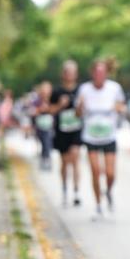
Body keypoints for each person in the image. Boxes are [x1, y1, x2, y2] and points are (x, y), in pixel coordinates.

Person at [76, 59, 126, 219]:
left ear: (106, 73)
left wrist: (118, 108)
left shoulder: (114, 88)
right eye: (97, 72)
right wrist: (80, 106)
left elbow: (122, 106)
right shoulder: (84, 89)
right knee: (95, 171)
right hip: (90, 136)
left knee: (110, 173)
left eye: (102, 72)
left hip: (109, 135)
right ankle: (98, 206)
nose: (99, 75)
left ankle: (109, 191)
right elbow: (77, 114)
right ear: (92, 73)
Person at [50, 61, 83, 207]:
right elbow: (50, 111)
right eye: (67, 72)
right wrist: (60, 105)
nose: (70, 75)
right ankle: (64, 189)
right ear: (63, 74)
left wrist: (81, 108)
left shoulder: (81, 91)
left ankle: (76, 192)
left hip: (76, 130)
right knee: (64, 162)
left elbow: (84, 111)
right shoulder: (57, 92)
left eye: (73, 72)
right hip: (62, 131)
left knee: (75, 158)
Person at [31, 81, 55, 171]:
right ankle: (45, 158)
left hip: (49, 126)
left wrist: (48, 109)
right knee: (44, 142)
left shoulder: (52, 100)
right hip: (40, 126)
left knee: (47, 142)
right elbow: (32, 112)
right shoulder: (37, 101)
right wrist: (40, 109)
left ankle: (47, 158)